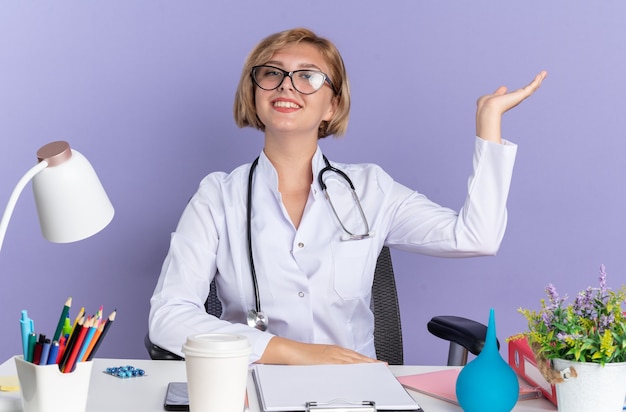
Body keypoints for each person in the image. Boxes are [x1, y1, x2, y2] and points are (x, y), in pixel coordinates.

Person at [149, 27, 547, 365]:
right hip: (252, 386)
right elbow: (167, 316)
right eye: (272, 73)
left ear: (332, 105)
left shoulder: (371, 190)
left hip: (353, 393)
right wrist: (294, 352)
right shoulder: (217, 195)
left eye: (308, 77)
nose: (287, 85)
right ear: (254, 93)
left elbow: (476, 237)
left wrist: (488, 124)